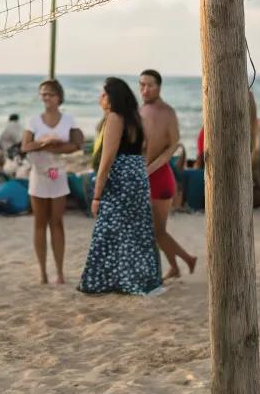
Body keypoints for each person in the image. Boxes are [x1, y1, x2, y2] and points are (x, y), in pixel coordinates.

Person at [79, 78, 163, 296]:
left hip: (120, 177)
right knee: (136, 229)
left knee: (108, 228)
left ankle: (105, 281)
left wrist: (96, 196)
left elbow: (106, 160)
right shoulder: (136, 118)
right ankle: (140, 279)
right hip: (136, 174)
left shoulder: (115, 118)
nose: (100, 98)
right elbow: (146, 150)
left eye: (103, 94)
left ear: (113, 98)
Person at [21, 79, 84, 286]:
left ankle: (59, 272)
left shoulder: (68, 120)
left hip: (57, 173)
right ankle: (42, 272)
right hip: (38, 174)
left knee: (57, 223)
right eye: (43, 94)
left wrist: (54, 147)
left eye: (49, 94)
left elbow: (76, 145)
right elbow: (25, 146)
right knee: (39, 223)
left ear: (59, 97)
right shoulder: (34, 121)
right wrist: (43, 143)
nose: (46, 97)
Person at [139, 70, 196, 281]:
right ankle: (179, 264)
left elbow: (173, 147)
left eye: (150, 85)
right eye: (141, 85)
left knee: (157, 231)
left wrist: (149, 171)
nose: (145, 90)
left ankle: (185, 261)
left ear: (159, 87)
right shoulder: (139, 110)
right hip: (143, 176)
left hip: (160, 177)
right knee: (155, 232)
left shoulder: (168, 112)